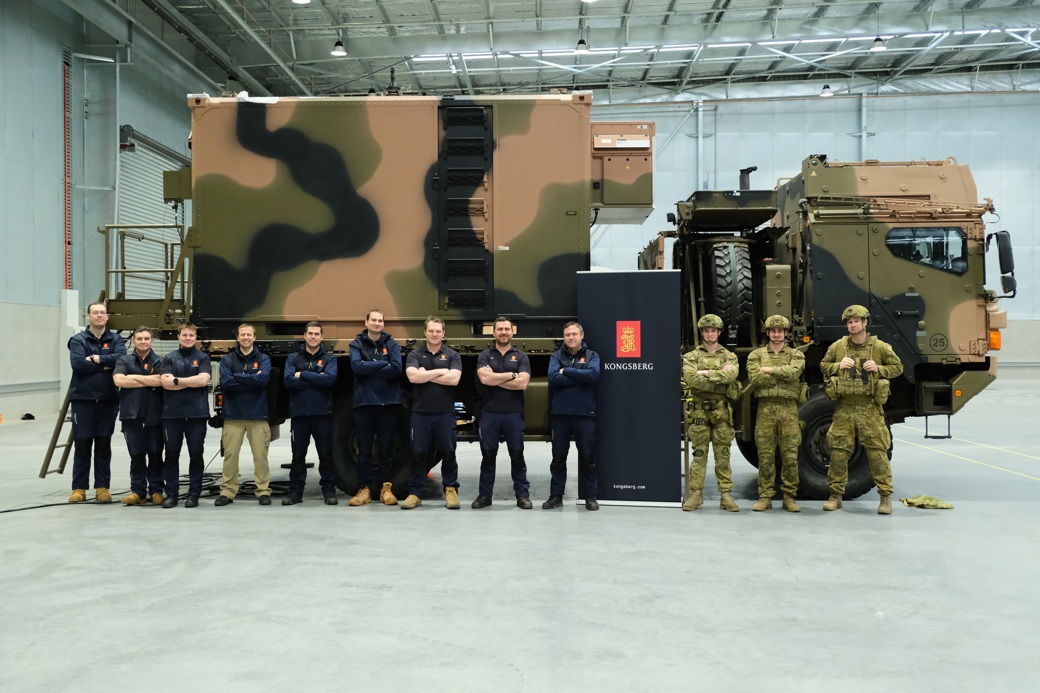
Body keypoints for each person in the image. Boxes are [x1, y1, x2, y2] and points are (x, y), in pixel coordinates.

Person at [820, 304, 903, 515]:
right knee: (838, 452)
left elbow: (898, 368)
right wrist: (838, 366)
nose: (853, 325)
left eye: (857, 321)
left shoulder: (880, 347)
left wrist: (879, 368)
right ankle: (835, 496)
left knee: (877, 452)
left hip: (869, 408)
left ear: (865, 323)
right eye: (850, 322)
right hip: (845, 406)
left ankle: (885, 497)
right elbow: (824, 366)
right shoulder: (838, 347)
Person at [67, 302, 126, 504]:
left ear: (107, 317)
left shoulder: (116, 339)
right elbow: (78, 365)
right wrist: (105, 366)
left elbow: (121, 359)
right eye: (95, 313)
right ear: (88, 316)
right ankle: (79, 488)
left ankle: (102, 488)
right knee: (82, 444)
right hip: (82, 400)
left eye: (102, 313)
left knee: (103, 444)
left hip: (108, 400)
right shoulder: (78, 340)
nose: (99, 316)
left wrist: (94, 359)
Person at [402, 316, 463, 510]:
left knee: (448, 453)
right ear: (425, 332)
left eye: (438, 331)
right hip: (420, 414)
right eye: (431, 331)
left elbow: (454, 380)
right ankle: (414, 493)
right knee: (418, 454)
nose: (435, 334)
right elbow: (413, 377)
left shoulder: (453, 355)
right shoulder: (415, 354)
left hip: (444, 414)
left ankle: (451, 490)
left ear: (443, 333)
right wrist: (441, 372)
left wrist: (426, 374)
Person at [681, 314, 740, 513]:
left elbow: (731, 375)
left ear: (719, 333)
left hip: (721, 412)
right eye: (706, 331)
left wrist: (705, 373)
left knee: (723, 455)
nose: (710, 334)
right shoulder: (691, 356)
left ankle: (726, 496)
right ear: (702, 333)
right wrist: (718, 377)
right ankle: (695, 495)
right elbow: (691, 379)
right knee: (699, 455)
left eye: (713, 331)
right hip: (699, 412)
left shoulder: (729, 356)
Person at [745, 315, 805, 513]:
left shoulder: (796, 355)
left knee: (790, 455)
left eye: (780, 331)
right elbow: (755, 378)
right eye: (773, 331)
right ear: (768, 333)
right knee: (765, 455)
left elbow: (794, 373)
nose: (777, 334)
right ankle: (765, 496)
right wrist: (781, 374)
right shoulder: (756, 355)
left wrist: (769, 370)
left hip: (789, 409)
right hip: (766, 409)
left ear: (785, 333)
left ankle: (789, 496)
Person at [472, 316, 533, 510]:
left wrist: (495, 379)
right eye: (500, 329)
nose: (504, 332)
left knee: (517, 455)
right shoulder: (484, 355)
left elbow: (523, 383)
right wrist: (511, 375)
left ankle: (522, 495)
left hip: (514, 414)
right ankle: (485, 495)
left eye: (507, 329)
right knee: (488, 456)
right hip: (489, 414)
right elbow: (484, 380)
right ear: (493, 332)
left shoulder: (521, 356)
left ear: (512, 332)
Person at [543, 321, 601, 511]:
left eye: (574, 334)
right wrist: (580, 377)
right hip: (560, 415)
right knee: (558, 457)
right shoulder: (556, 356)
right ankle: (556, 496)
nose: (571, 337)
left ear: (581, 335)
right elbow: (553, 378)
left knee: (587, 457)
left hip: (584, 414)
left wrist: (566, 371)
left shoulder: (592, 355)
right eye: (567, 335)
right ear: (564, 337)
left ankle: (590, 496)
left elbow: (593, 375)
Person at [348, 310, 403, 507]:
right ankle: (363, 489)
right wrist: (382, 364)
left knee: (385, 448)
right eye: (374, 320)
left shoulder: (392, 344)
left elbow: (396, 368)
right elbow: (357, 368)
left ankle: (385, 488)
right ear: (366, 322)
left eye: (380, 320)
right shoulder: (356, 344)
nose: (377, 323)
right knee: (364, 450)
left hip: (387, 403)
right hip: (364, 403)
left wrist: (369, 366)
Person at [215, 323, 272, 507]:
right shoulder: (227, 359)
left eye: (249, 335)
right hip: (233, 415)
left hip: (257, 415)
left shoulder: (263, 358)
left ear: (254, 337)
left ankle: (263, 491)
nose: (246, 337)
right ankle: (228, 491)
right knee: (230, 455)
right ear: (237, 337)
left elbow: (263, 380)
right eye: (242, 334)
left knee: (261, 456)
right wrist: (252, 380)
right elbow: (226, 382)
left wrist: (238, 376)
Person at [283, 321, 338, 506]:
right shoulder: (293, 358)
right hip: (299, 415)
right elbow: (288, 381)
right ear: (304, 336)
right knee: (298, 455)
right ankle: (296, 491)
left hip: (322, 414)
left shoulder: (330, 358)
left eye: (317, 334)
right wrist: (317, 377)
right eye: (310, 333)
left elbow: (329, 380)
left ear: (322, 337)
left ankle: (329, 490)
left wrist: (303, 374)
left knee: (326, 454)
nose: (313, 337)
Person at [158, 323, 212, 508]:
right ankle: (171, 494)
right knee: (171, 454)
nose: (188, 338)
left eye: (191, 335)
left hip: (197, 414)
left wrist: (176, 381)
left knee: (196, 454)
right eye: (185, 335)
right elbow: (165, 384)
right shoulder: (169, 358)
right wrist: (190, 382)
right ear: (178, 337)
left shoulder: (203, 358)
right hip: (172, 416)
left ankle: (194, 494)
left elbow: (203, 380)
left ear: (196, 337)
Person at [112, 326, 164, 506]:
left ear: (152, 341)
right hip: (131, 416)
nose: (143, 342)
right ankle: (138, 491)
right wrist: (149, 380)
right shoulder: (123, 360)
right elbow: (119, 380)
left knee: (156, 454)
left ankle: (156, 490)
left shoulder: (160, 361)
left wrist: (133, 378)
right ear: (134, 341)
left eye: (146, 338)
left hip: (155, 415)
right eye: (139, 338)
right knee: (136, 455)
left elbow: (161, 381)